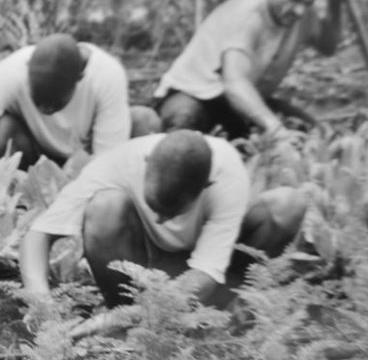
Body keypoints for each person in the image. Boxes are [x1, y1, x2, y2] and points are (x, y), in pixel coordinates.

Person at [19, 130, 306, 312]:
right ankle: (128, 320)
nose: (160, 219)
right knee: (105, 207)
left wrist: (148, 315)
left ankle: (229, 309)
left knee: (287, 206)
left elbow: (205, 274)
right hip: (146, 265)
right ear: (145, 165)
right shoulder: (119, 162)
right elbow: (38, 235)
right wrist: (40, 301)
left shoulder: (227, 174)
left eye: (172, 213)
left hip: (207, 274)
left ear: (206, 186)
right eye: (154, 207)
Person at [156, 0, 358, 139]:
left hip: (238, 105)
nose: (300, 11)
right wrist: (276, 131)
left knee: (314, 136)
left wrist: (335, 2)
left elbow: (328, 46)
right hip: (194, 96)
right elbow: (235, 84)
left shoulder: (302, 11)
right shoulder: (247, 13)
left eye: (308, 2)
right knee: (185, 126)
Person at [0, 33, 160, 175]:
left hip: (84, 154)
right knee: (1, 130)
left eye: (54, 104)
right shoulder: (10, 72)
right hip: (34, 152)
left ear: (79, 79)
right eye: (38, 103)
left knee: (144, 121)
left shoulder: (106, 75)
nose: (46, 110)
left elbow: (107, 159)